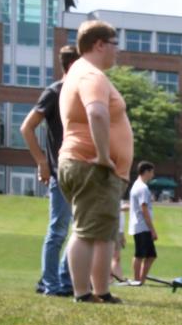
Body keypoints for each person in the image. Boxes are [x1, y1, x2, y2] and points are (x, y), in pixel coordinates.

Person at [57, 20, 133, 304]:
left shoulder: (77, 72)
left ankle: (100, 291)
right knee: (87, 230)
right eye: (115, 45)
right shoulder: (91, 75)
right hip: (91, 164)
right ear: (99, 44)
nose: (118, 52)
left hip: (81, 161)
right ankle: (83, 293)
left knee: (101, 231)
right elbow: (97, 113)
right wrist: (103, 156)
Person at [21, 45, 80, 297]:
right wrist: (42, 162)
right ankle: (50, 284)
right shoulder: (54, 92)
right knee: (58, 230)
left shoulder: (79, 94)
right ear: (73, 65)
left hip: (79, 172)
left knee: (79, 231)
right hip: (60, 173)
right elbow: (27, 128)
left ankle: (65, 282)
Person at [129, 161, 158, 283]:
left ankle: (141, 279)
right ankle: (137, 280)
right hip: (142, 226)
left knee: (151, 255)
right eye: (152, 172)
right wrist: (152, 230)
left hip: (140, 226)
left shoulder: (136, 185)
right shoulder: (142, 188)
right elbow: (144, 209)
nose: (153, 175)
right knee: (140, 254)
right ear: (146, 172)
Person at [111, 201, 128, 283]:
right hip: (114, 230)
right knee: (115, 257)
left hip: (119, 231)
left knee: (116, 258)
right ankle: (115, 278)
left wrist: (123, 234)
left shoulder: (118, 196)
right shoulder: (111, 194)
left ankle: (119, 278)